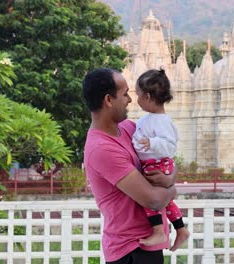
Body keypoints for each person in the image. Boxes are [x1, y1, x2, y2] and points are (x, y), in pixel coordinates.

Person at [82, 68, 176, 263]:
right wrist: (172, 189)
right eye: (124, 94)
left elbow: (167, 158)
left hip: (147, 246)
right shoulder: (102, 148)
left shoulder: (130, 129)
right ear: (109, 100)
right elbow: (154, 201)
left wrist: (169, 178)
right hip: (131, 250)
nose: (130, 100)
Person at [132, 69, 190, 250]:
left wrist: (153, 143)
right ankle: (181, 229)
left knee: (149, 199)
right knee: (167, 201)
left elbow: (170, 146)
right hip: (150, 164)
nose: (137, 99)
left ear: (147, 96)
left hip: (158, 165)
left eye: (138, 95)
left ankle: (159, 231)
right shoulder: (145, 120)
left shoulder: (164, 121)